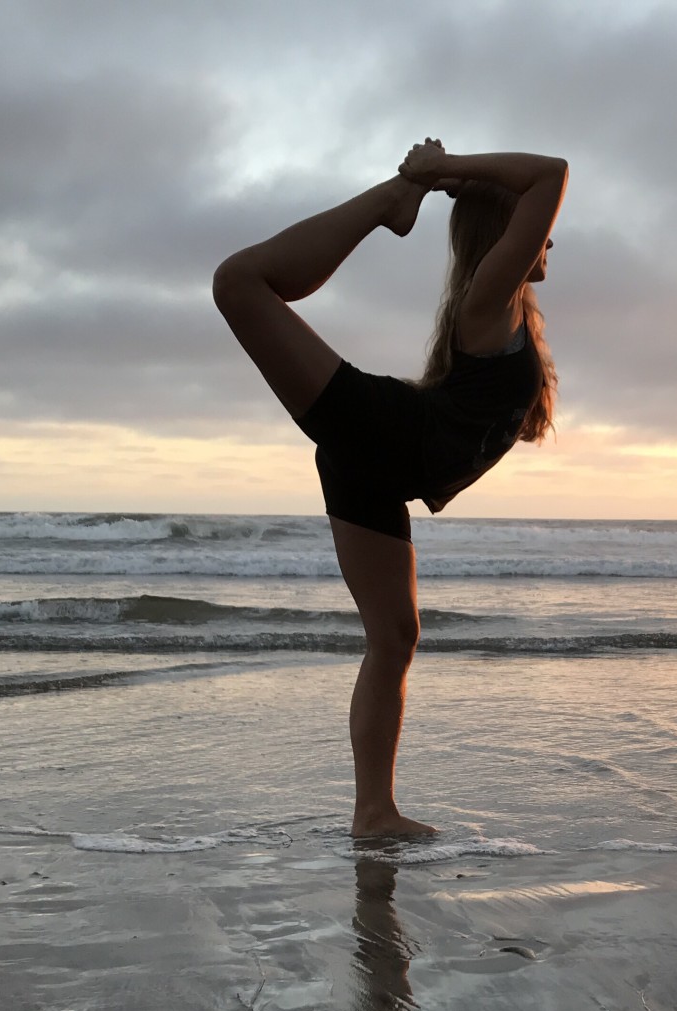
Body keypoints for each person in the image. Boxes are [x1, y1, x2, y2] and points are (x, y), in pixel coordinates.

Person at [212, 141, 567, 838]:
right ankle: (384, 203)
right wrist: (431, 175)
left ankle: (374, 813)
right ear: (508, 234)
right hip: (383, 435)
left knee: (395, 638)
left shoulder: (508, 311)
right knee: (239, 282)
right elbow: (549, 173)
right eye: (537, 226)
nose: (551, 234)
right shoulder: (489, 298)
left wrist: (449, 178)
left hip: (377, 462)